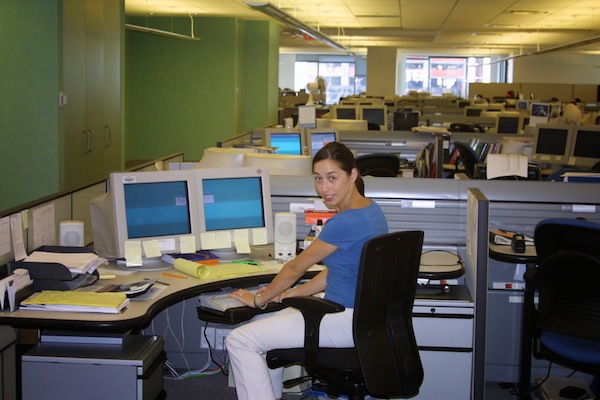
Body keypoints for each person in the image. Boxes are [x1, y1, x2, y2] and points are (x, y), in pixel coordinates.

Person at [225, 142, 388, 400]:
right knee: (261, 323)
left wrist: (259, 300)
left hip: (343, 320)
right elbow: (337, 272)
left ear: (352, 175)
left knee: (238, 340)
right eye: (319, 179)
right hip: (361, 318)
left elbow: (294, 268)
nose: (324, 187)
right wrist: (286, 295)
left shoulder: (344, 222)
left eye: (332, 178)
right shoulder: (372, 211)